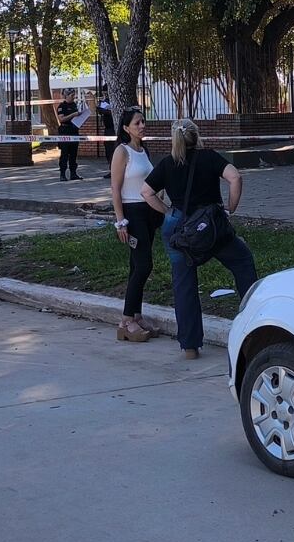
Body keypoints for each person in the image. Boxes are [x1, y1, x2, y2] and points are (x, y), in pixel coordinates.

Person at [140, 118, 257, 360]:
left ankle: (190, 346)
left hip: (180, 228)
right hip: (211, 227)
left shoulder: (167, 164)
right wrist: (231, 208)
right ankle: (254, 325)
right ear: (197, 136)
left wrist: (168, 211)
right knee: (242, 262)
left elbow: (146, 192)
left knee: (183, 284)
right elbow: (235, 177)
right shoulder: (210, 157)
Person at [109, 108, 158, 342]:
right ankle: (126, 320)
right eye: (137, 123)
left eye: (143, 121)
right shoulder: (122, 151)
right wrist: (121, 222)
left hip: (149, 212)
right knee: (143, 265)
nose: (142, 126)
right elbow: (116, 190)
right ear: (126, 127)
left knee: (135, 265)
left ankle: (137, 316)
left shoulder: (143, 150)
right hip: (133, 212)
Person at [55, 89, 82, 181]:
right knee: (65, 154)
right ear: (66, 96)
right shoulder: (62, 106)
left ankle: (73, 173)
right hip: (65, 131)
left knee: (73, 154)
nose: (73, 97)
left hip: (74, 130)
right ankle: (62, 174)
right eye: (71, 96)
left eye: (74, 96)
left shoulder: (75, 105)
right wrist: (73, 115)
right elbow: (61, 119)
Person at [95, 94, 116, 179]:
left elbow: (112, 112)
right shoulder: (104, 102)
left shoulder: (115, 101)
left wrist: (105, 110)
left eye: (106, 92)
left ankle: (116, 170)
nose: (105, 95)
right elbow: (100, 111)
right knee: (108, 150)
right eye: (103, 93)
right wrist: (99, 108)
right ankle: (111, 170)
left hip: (114, 129)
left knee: (114, 150)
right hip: (107, 129)